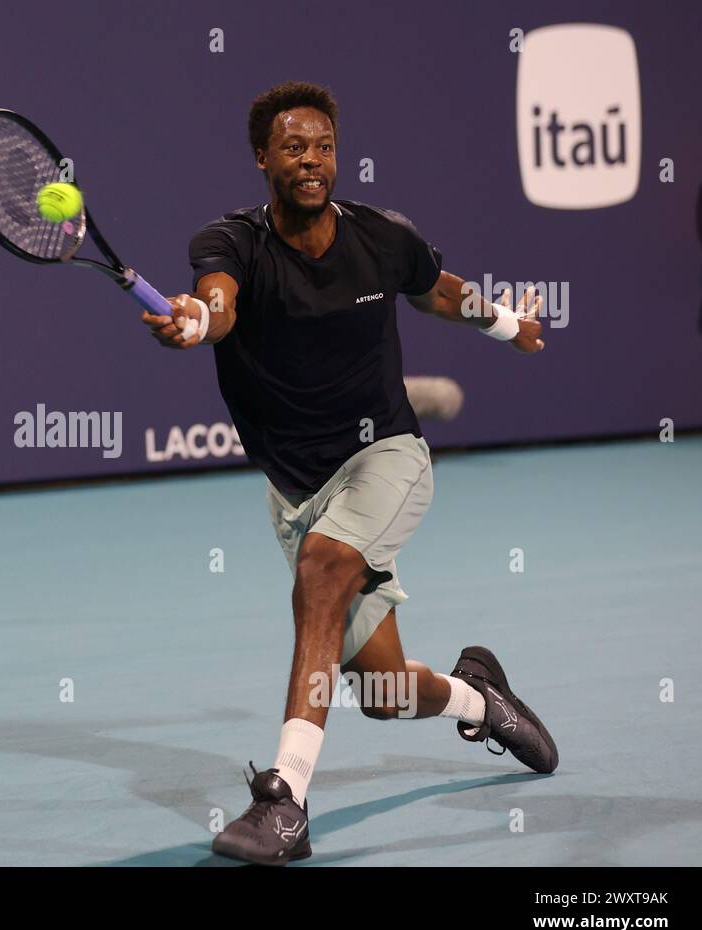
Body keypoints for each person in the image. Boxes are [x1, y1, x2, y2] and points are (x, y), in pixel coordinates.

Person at [140, 81, 558, 866]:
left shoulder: (380, 236)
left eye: (324, 146)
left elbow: (439, 293)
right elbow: (217, 305)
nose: (312, 161)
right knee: (384, 692)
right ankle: (479, 696)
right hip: (297, 490)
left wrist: (512, 327)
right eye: (294, 147)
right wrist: (196, 323)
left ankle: (286, 805)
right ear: (262, 157)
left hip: (385, 457)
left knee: (325, 572)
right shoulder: (229, 242)